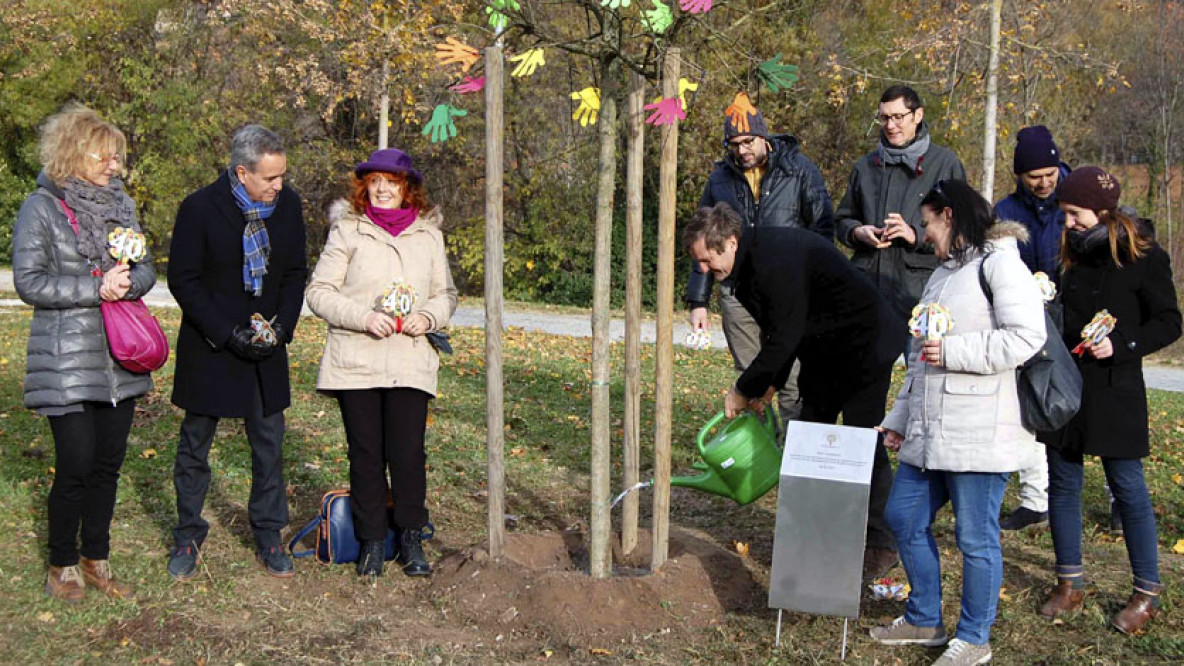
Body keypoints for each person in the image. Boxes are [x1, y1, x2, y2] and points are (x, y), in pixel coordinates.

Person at [873, 179, 1046, 666]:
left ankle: (974, 638)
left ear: (948, 216)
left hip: (981, 430)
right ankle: (926, 618)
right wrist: (900, 418)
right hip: (929, 430)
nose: (924, 234)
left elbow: (1026, 337)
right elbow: (920, 355)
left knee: (975, 537)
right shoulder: (943, 273)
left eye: (927, 222)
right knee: (904, 516)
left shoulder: (1002, 264)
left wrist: (954, 351)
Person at [684, 202, 906, 543]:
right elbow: (782, 330)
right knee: (809, 434)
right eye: (697, 261)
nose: (702, 268)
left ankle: (879, 540)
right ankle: (809, 531)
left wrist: (742, 389)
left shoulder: (773, 260)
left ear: (730, 241)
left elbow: (786, 335)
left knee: (862, 440)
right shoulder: (744, 267)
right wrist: (769, 386)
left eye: (706, 259)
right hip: (824, 350)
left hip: (866, 343)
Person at [13, 104, 156, 602]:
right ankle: (62, 561)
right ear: (74, 151)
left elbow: (147, 271)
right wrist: (98, 286)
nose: (114, 166)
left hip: (119, 358)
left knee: (108, 462)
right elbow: (29, 282)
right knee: (75, 462)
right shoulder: (42, 207)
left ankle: (97, 556)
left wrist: (128, 283)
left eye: (118, 158)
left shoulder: (124, 206)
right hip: (66, 359)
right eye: (106, 155)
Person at [1038, 166, 1180, 635]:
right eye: (1064, 214)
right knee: (1063, 482)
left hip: (1117, 388)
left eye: (1074, 214)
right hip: (1068, 387)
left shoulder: (1143, 256)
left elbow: (1169, 322)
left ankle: (1146, 592)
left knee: (1128, 486)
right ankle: (1069, 582)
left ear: (1103, 212)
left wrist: (1124, 345)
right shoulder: (1069, 255)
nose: (1068, 223)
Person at [835, 85, 966, 579]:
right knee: (866, 418)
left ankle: (924, 518)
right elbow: (840, 218)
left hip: (922, 304)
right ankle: (876, 531)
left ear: (918, 116)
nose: (890, 125)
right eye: (884, 118)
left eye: (898, 117)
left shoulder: (944, 164)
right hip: (867, 306)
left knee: (927, 415)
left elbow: (963, 234)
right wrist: (857, 234)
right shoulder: (867, 165)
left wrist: (916, 238)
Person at [306, 149, 457, 578]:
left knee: (408, 453)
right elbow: (319, 292)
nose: (384, 189)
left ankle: (410, 537)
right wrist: (363, 317)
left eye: (393, 182)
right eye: (376, 182)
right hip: (356, 359)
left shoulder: (429, 235)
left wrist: (427, 317)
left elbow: (446, 294)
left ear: (408, 187)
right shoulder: (348, 231)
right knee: (366, 453)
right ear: (365, 186)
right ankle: (372, 541)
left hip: (410, 360)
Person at [166, 125, 308, 580]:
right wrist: (227, 334)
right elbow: (183, 280)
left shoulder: (289, 206)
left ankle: (269, 534)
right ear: (242, 171)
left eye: (282, 175)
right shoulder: (199, 208)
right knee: (195, 447)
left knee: (269, 446)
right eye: (270, 178)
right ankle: (188, 534)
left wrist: (281, 328)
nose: (279, 185)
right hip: (212, 345)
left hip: (266, 348)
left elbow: (295, 273)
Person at [686, 95, 834, 425]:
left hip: (789, 291)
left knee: (793, 379)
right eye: (734, 144)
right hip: (738, 291)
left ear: (763, 137)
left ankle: (792, 457)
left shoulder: (800, 172)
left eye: (748, 141)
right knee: (750, 375)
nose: (742, 151)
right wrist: (698, 299)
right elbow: (701, 241)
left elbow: (823, 229)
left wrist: (817, 286)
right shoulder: (719, 180)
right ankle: (760, 453)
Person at [992, 125, 1071, 531]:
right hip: (1030, 316)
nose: (1043, 183)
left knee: (1095, 406)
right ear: (1020, 176)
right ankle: (1036, 498)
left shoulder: (1076, 200)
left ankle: (1115, 499)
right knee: (1033, 403)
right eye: (1033, 177)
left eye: (1050, 174)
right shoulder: (1006, 210)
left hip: (1076, 314)